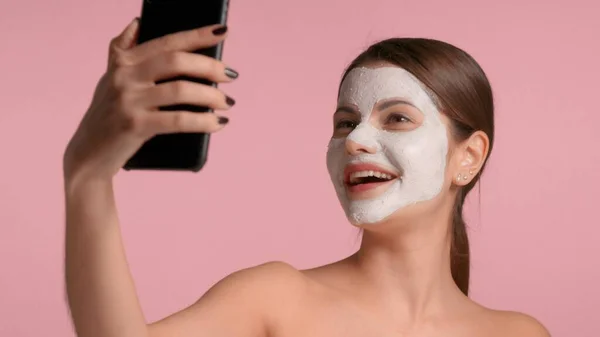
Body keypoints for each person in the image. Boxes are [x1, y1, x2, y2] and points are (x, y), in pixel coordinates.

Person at [63, 18, 551, 337]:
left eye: (397, 118)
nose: (355, 141)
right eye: (344, 123)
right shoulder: (276, 299)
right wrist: (87, 176)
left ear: (470, 157)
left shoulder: (519, 333)